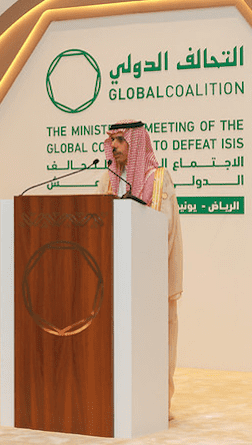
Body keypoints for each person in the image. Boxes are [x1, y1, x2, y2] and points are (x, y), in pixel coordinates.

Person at [97, 119, 183, 420]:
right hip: (111, 277)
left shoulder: (157, 179)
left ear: (135, 144)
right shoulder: (108, 180)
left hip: (148, 281)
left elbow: (164, 227)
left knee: (153, 341)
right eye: (112, 141)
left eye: (121, 140)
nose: (115, 146)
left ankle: (154, 403)